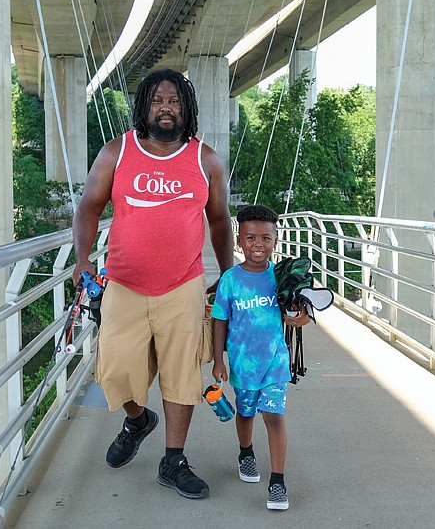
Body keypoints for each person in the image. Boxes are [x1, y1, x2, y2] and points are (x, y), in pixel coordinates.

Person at [73, 69, 234, 499]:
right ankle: (138, 420)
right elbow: (88, 207)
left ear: (187, 109)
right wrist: (83, 258)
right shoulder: (116, 153)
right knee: (115, 368)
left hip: (183, 285)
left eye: (175, 101)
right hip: (124, 284)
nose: (167, 107)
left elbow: (219, 221)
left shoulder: (207, 160)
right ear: (144, 106)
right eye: (159, 100)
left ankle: (173, 460)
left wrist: (228, 274)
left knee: (182, 375)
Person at [211, 204, 312, 510]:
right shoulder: (230, 279)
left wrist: (302, 317)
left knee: (274, 416)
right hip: (243, 364)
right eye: (251, 238)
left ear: (276, 240)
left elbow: (300, 307)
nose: (258, 244)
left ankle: (278, 482)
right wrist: (218, 360)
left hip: (275, 361)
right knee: (246, 413)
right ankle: (246, 452)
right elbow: (219, 320)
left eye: (266, 238)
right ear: (239, 240)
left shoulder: (282, 276)